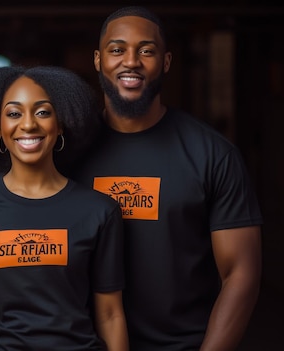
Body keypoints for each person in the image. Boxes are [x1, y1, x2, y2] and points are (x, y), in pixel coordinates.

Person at [76, 6, 261, 351]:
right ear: (99, 60)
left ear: (166, 62)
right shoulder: (67, 153)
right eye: (117, 50)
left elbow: (241, 274)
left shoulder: (212, 153)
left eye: (146, 51)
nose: (131, 61)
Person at [0, 65, 129, 351]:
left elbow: (110, 314)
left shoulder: (99, 210)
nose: (28, 124)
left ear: (61, 123)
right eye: (14, 113)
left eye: (42, 112)